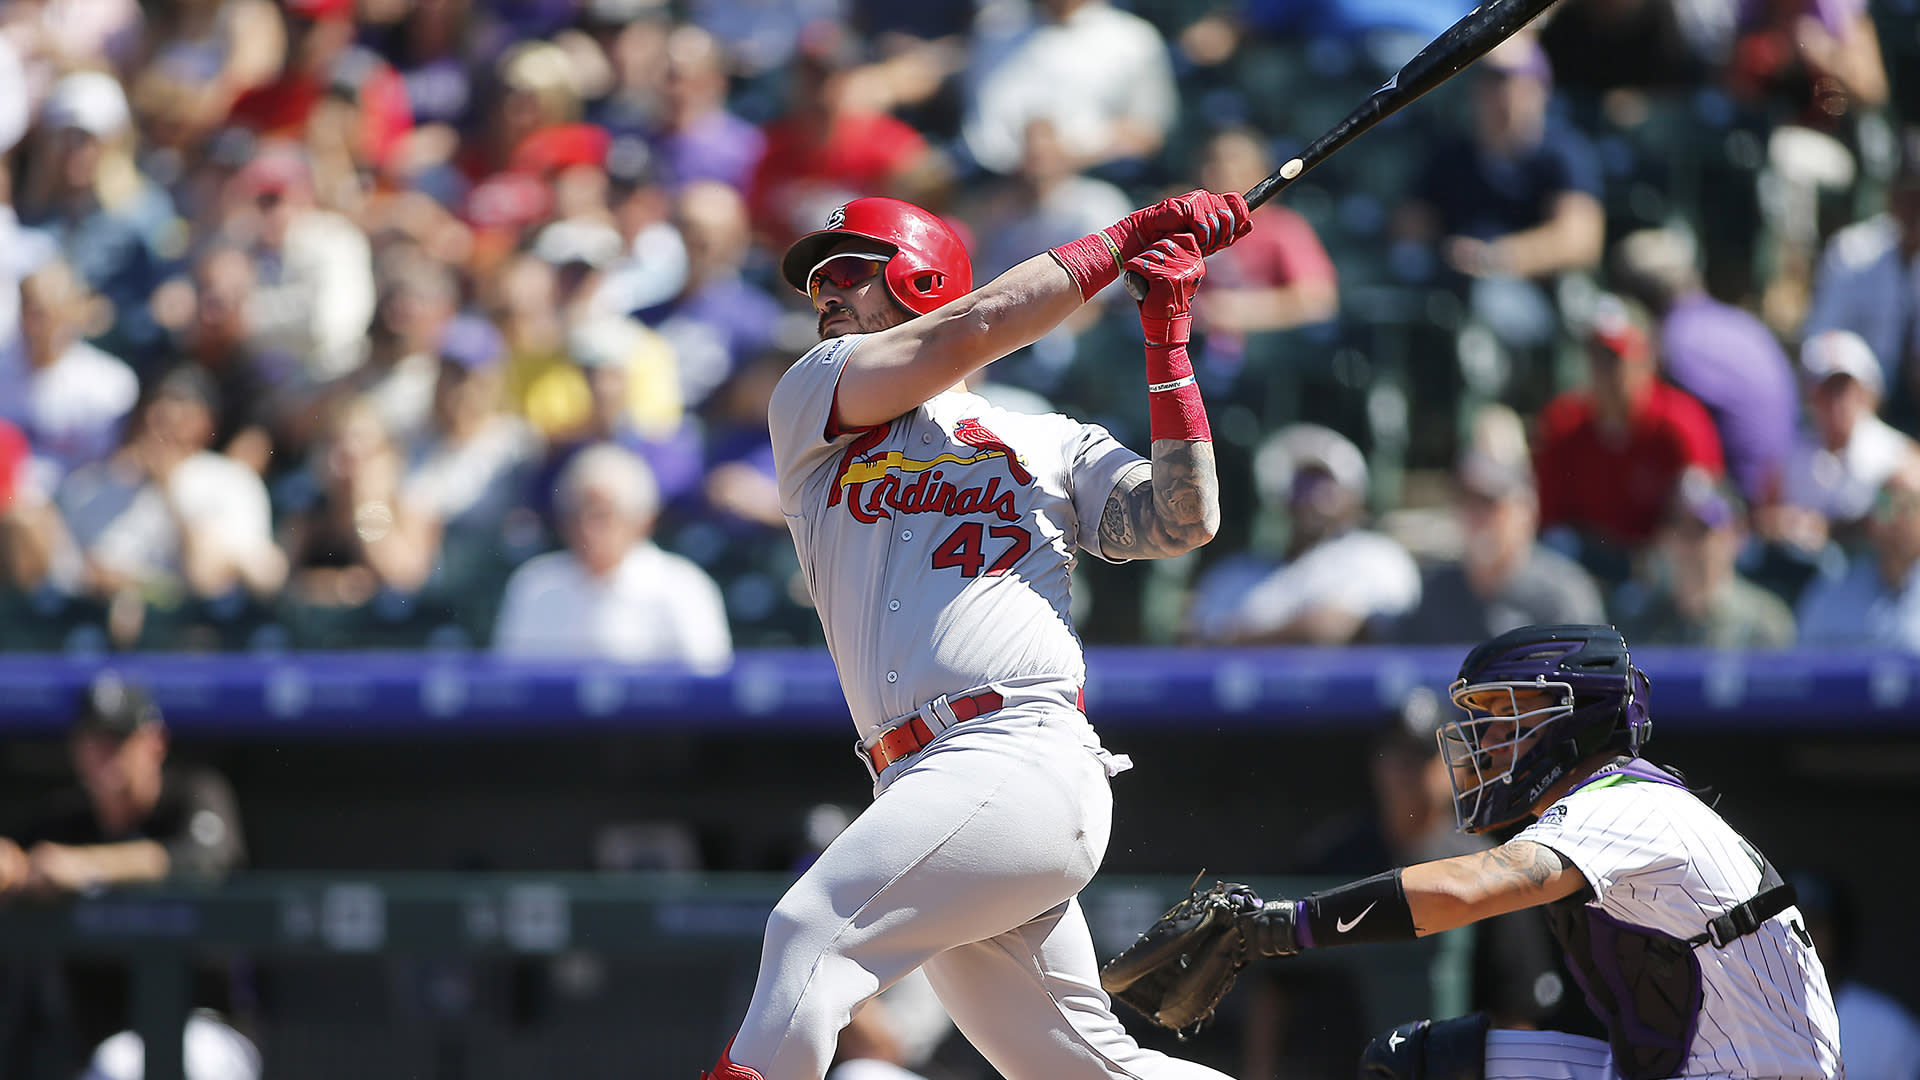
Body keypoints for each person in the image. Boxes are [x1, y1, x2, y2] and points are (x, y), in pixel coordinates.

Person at [699, 185, 1254, 1080]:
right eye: (816, 284)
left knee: (808, 938)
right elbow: (970, 332)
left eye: (850, 272)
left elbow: (1180, 521)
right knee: (1083, 1071)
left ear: (919, 278)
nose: (826, 295)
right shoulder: (814, 399)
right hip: (925, 783)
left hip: (1016, 748)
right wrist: (1123, 241)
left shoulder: (1050, 440)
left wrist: (1167, 345)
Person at [1205, 623, 1843, 1079]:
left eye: (1508, 718)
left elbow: (1468, 887)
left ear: (1573, 722)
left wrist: (1281, 927)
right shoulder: (1602, 805)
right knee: (1422, 1059)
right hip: (1698, 1061)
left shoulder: (1623, 800)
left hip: (1761, 1071)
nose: (1488, 744)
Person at [0, 672, 250, 1079]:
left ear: (154, 742)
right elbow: (18, 860)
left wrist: (87, 867)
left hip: (208, 1026)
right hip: (103, 1040)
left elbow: (202, 859)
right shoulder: (63, 822)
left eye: (117, 742)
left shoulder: (193, 794)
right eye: (93, 744)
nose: (105, 757)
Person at [493, 442, 731, 667]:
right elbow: (511, 688)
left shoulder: (684, 588)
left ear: (642, 519)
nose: (586, 527)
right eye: (575, 511)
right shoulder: (534, 585)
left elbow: (708, 688)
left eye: (601, 514)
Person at [1532, 295, 1725, 570]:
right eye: (1595, 358)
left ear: (1646, 360)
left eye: (1613, 360)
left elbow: (1700, 517)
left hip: (1655, 561)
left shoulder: (1680, 423)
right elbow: (1550, 521)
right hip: (1589, 557)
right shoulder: (1564, 423)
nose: (1603, 372)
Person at [1182, 423, 1420, 646]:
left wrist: (1239, 637)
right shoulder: (1234, 574)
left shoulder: (1379, 557)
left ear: (1354, 495)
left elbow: (1340, 629)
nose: (1313, 499)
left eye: (1324, 483)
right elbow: (1196, 645)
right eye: (1301, 485)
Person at [1391, 404, 1605, 644]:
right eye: (1467, 497)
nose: (1477, 515)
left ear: (1525, 509)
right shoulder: (1434, 594)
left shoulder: (1563, 596)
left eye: (1490, 501)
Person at [1615, 472, 1798, 649]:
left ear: (1736, 535)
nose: (1689, 545)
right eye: (1678, 526)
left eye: (1701, 530)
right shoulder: (1637, 620)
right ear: (1662, 538)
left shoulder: (1764, 624)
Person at [1788, 870, 1920, 1080]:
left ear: (1837, 934)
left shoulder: (1889, 1029)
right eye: (1791, 927)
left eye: (1813, 926)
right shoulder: (1745, 1017)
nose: (1801, 939)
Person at [1796, 447, 1920, 650]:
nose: (1896, 517)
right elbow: (1809, 668)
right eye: (1886, 503)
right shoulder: (1833, 592)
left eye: (1908, 505)